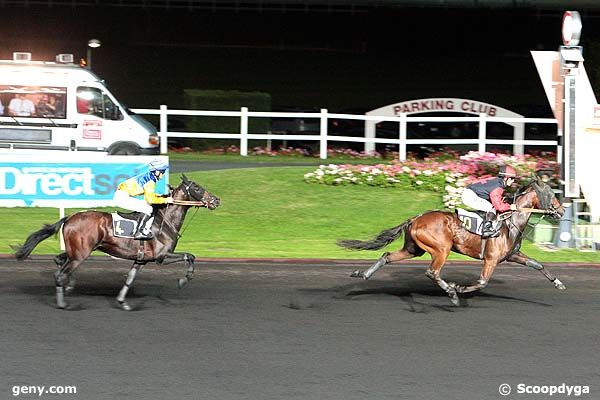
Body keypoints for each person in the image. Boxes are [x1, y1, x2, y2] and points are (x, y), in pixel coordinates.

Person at [113, 160, 173, 240]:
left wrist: (161, 197)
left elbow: (149, 195)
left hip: (122, 195)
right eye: (162, 171)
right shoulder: (150, 181)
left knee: (147, 206)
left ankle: (145, 229)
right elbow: (150, 199)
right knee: (148, 208)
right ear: (157, 172)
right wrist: (165, 200)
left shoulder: (149, 177)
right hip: (122, 197)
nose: (163, 173)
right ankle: (139, 232)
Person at [461, 164, 518, 238]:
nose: (513, 181)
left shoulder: (496, 181)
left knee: (490, 207)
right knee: (490, 208)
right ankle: (486, 230)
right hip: (469, 195)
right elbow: (499, 207)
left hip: (470, 193)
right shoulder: (497, 187)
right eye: (512, 178)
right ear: (506, 178)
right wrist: (510, 207)